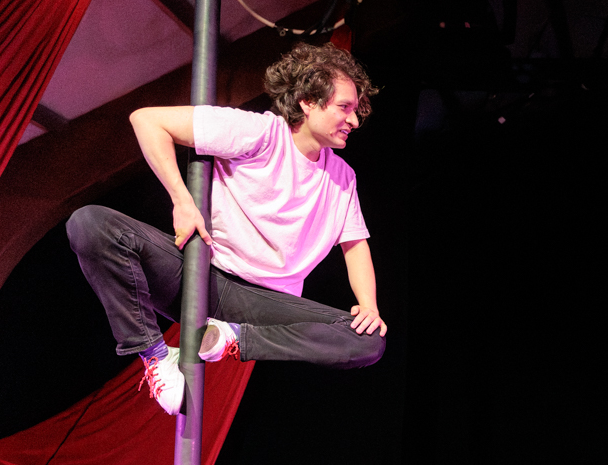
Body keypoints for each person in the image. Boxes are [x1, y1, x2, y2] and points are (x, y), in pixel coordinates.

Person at [66, 43, 387, 415]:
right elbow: (147, 120)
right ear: (308, 102)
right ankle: (155, 357)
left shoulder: (342, 177)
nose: (354, 121)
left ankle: (230, 338)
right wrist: (181, 200)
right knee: (90, 224)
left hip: (262, 304)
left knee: (369, 341)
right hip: (201, 275)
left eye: (356, 110)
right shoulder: (261, 132)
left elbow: (355, 245)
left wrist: (369, 306)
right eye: (344, 107)